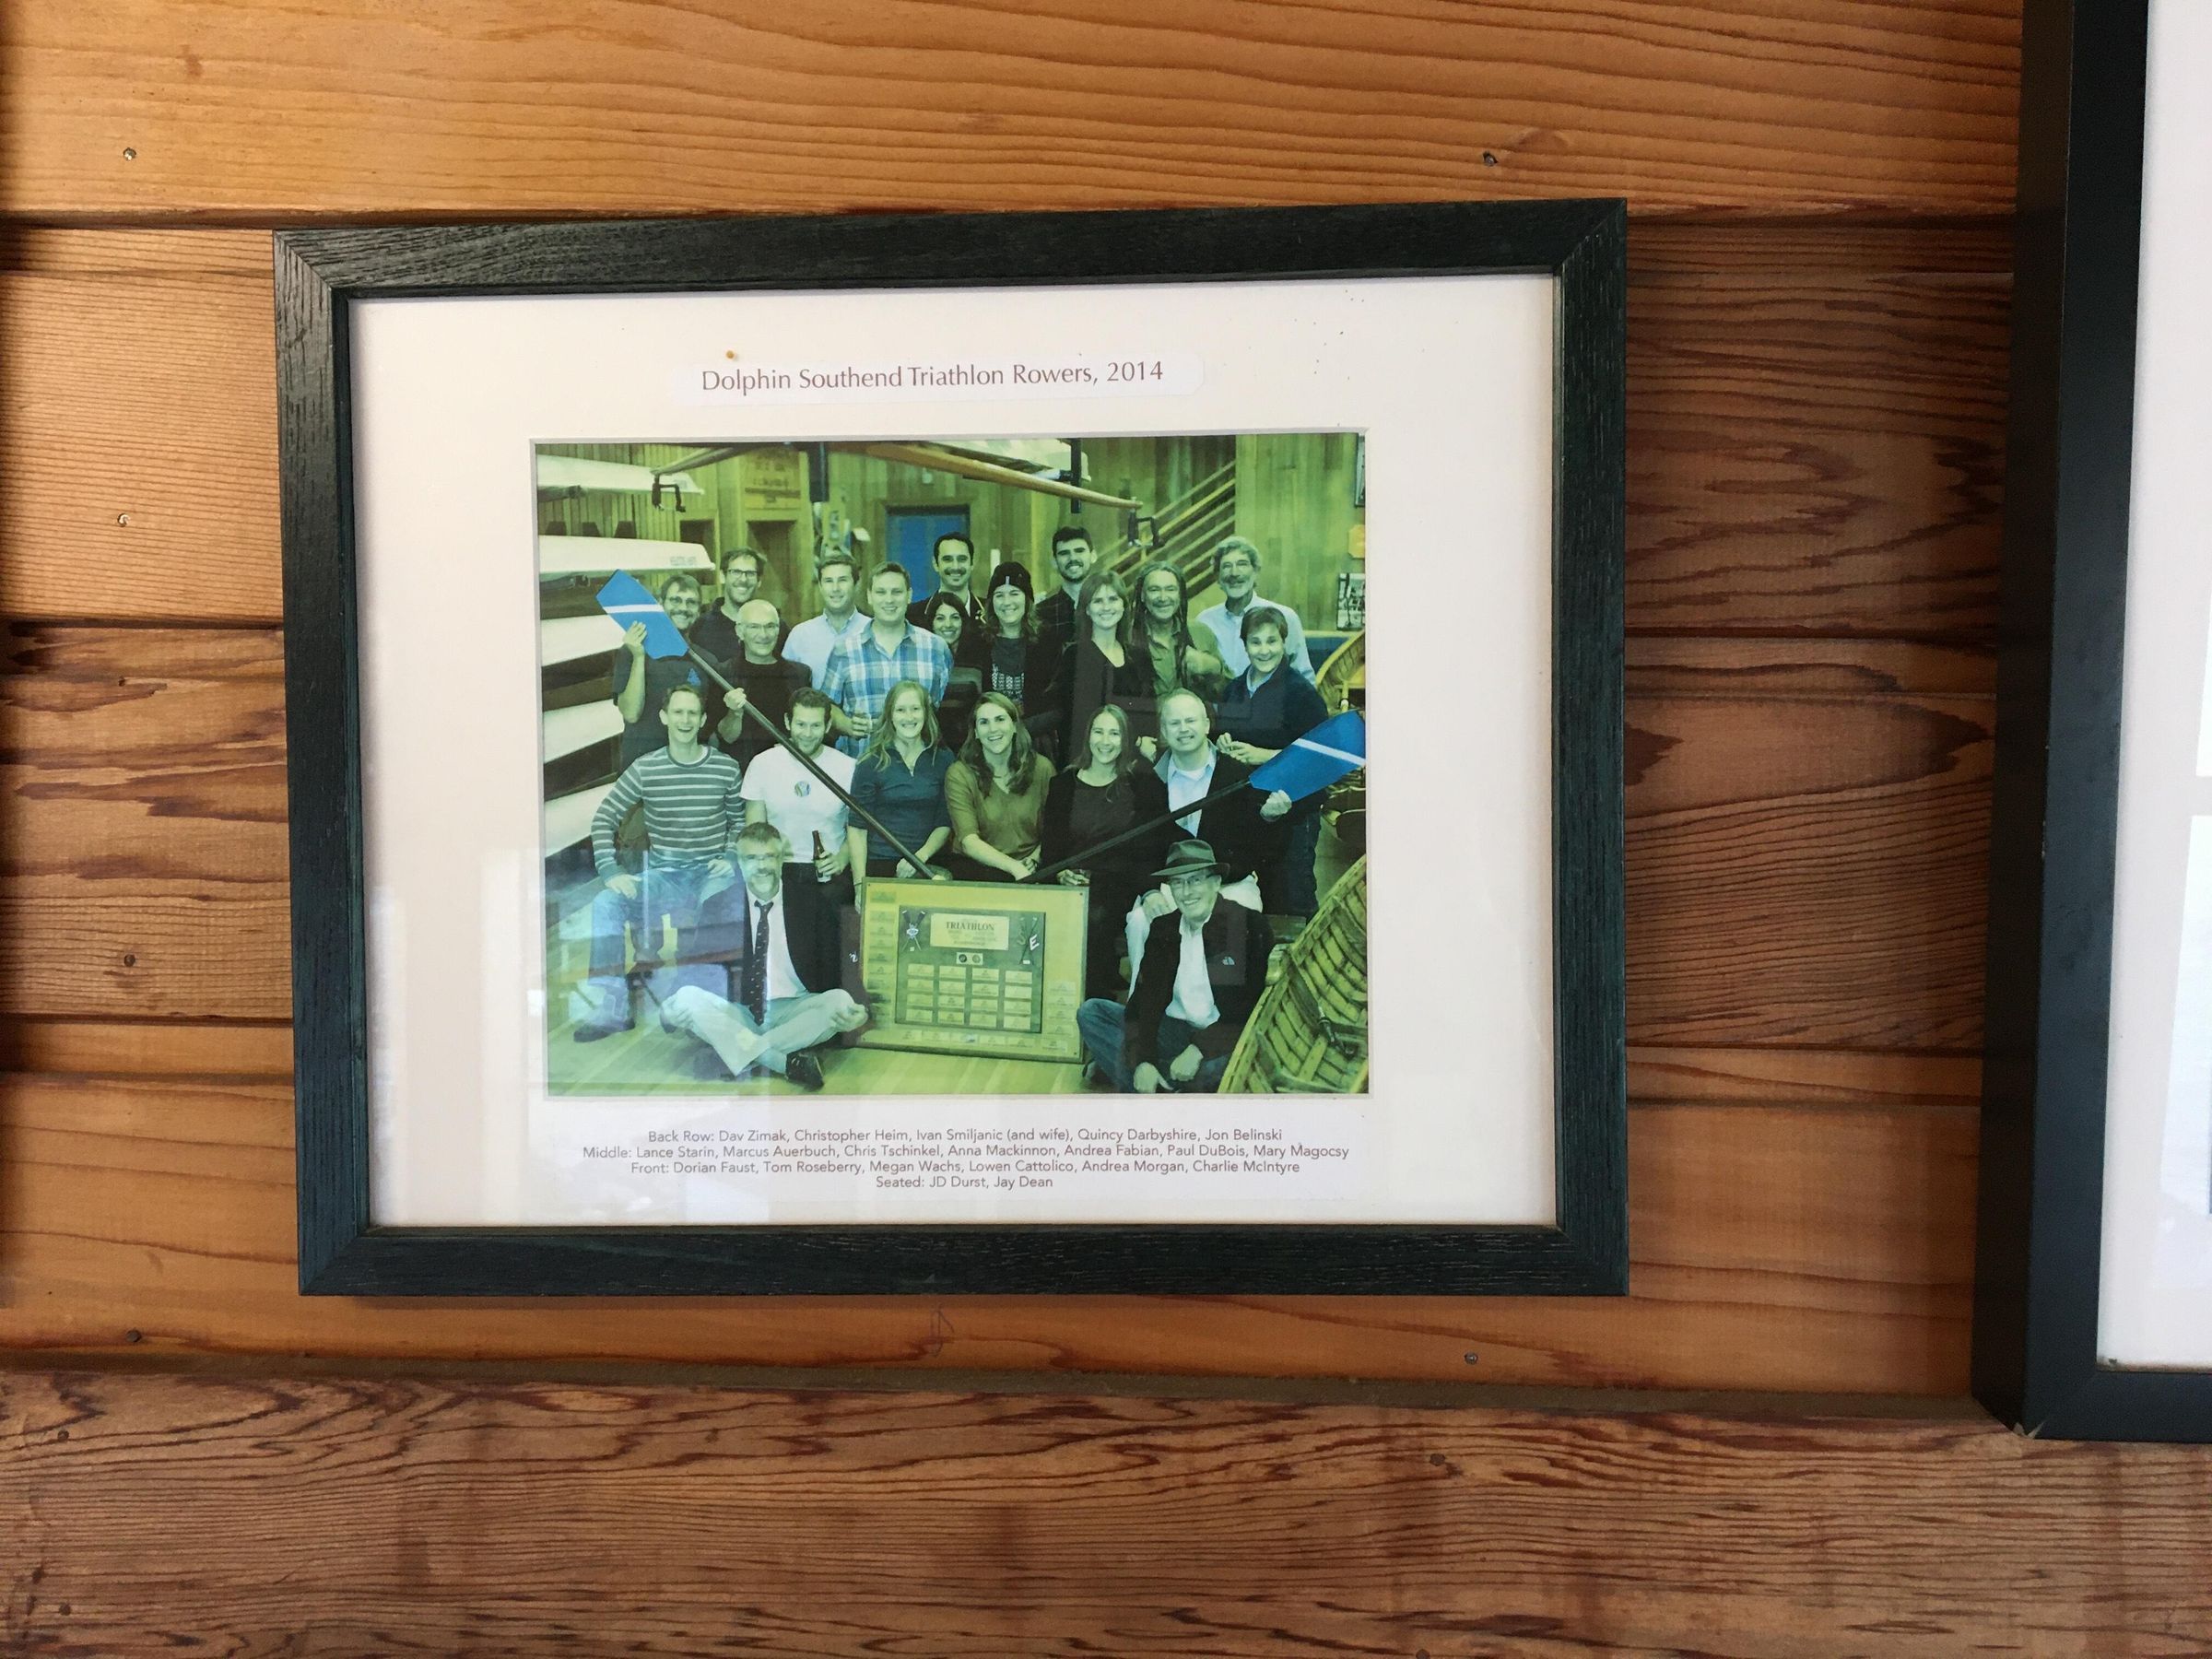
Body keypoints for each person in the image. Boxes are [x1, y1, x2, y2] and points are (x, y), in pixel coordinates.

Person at [576, 683, 747, 1039]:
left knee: (724, 905)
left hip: (710, 874)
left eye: (692, 713)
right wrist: (611, 871)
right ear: (664, 717)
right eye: (678, 712)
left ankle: (692, 1003)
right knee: (606, 903)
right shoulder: (646, 768)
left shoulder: (725, 768)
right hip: (664, 877)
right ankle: (614, 1003)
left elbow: (740, 822)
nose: (685, 720)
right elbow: (603, 818)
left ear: (703, 720)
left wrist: (730, 856)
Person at [660, 822, 870, 1091]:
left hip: (795, 1007)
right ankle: (782, 1062)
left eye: (769, 857)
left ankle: (733, 1055)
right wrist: (668, 1012)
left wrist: (861, 1010)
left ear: (782, 859)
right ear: (739, 862)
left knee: (840, 1002)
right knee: (686, 998)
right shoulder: (719, 906)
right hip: (740, 1011)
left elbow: (842, 963)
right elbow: (695, 968)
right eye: (752, 858)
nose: (762, 866)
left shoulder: (811, 902)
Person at [1077, 838, 1273, 1094]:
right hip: (1174, 1030)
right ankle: (1166, 1083)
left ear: (1216, 883)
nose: (1186, 892)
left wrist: (1199, 1049)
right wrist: (1144, 1060)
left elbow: (1250, 1009)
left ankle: (1145, 1083)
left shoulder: (1245, 924)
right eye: (1178, 883)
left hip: (1222, 1037)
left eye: (1195, 880)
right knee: (1092, 1013)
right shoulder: (1164, 929)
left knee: (1230, 1066)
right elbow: (1143, 1003)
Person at [1041, 702, 1171, 996]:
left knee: (1095, 919)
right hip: (1073, 883)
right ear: (1088, 736)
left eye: (1114, 733)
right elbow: (1052, 849)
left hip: (1120, 882)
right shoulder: (1063, 784)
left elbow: (1151, 849)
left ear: (1125, 740)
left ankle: (1095, 1001)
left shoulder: (1142, 784)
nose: (1105, 741)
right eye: (1098, 732)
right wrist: (1060, 873)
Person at [1213, 606, 1331, 915]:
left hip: (1292, 814)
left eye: (1271, 641)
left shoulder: (1301, 693)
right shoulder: (1233, 690)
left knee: (1290, 898)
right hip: (1248, 813)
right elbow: (1220, 734)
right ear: (1244, 644)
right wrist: (1222, 742)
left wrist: (1265, 755)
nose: (1264, 650)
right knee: (1252, 902)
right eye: (1255, 642)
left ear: (1283, 643)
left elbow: (1323, 757)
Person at [1151, 688, 1290, 888]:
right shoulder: (1149, 779)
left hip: (1229, 885)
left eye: (1190, 721)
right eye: (1174, 723)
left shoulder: (1238, 775)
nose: (1183, 729)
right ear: (1164, 731)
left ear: (1207, 725)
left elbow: (1265, 849)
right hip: (1172, 887)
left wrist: (1269, 818)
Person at [820, 562, 954, 756]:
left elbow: (942, 709)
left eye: (896, 592)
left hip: (921, 765)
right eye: (881, 592)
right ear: (869, 596)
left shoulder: (936, 648)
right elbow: (826, 705)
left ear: (909, 595)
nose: (889, 600)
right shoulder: (844, 650)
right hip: (862, 764)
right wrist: (847, 725)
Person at [740, 688, 857, 908]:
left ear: (828, 726)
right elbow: (754, 831)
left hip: (830, 875)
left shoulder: (848, 767)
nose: (807, 733)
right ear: (787, 722)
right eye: (801, 724)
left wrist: (842, 859)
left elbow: (858, 828)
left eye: (816, 726)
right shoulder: (762, 764)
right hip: (778, 870)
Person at [845, 679, 955, 879]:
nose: (909, 717)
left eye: (915, 709)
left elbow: (945, 822)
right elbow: (857, 829)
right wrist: (860, 885)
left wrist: (919, 857)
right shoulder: (870, 763)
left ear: (926, 713)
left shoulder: (943, 759)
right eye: (901, 710)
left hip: (929, 863)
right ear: (890, 715)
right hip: (880, 864)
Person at [944, 691, 1055, 881]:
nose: (993, 729)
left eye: (1000, 719)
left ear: (1014, 726)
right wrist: (1014, 868)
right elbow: (969, 842)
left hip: (1033, 865)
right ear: (976, 732)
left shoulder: (1042, 768)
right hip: (979, 868)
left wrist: (1035, 858)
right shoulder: (959, 774)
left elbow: (1054, 830)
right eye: (984, 722)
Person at [610, 571, 709, 767]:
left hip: (686, 768)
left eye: (691, 602)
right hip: (641, 766)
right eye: (675, 600)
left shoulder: (705, 661)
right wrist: (639, 657)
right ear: (661, 604)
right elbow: (631, 713)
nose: (683, 608)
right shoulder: (632, 651)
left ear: (699, 611)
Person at [1061, 568, 1155, 753]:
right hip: (1092, 755)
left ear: (1123, 605)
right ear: (1087, 609)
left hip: (1136, 757)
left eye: (1113, 599)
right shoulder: (1075, 655)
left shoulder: (1140, 656)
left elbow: (1149, 712)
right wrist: (1137, 742)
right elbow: (1081, 718)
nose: (1106, 607)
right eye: (1098, 601)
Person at [1196, 535, 1315, 680]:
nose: (1234, 573)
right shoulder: (1204, 622)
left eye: (1242, 564)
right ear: (1218, 577)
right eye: (1226, 566)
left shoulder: (1285, 616)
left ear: (1255, 571)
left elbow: (1304, 676)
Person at [711, 598, 812, 768]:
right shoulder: (722, 674)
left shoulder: (799, 675)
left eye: (770, 626)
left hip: (789, 768)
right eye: (754, 627)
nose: (764, 635)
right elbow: (726, 738)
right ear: (740, 631)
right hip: (742, 771)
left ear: (778, 630)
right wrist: (734, 713)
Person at [980, 560, 1065, 751]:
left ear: (1027, 600)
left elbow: (1057, 706)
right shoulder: (978, 643)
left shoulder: (1048, 643)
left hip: (1036, 745)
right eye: (999, 595)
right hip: (987, 744)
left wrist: (1016, 733)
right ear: (991, 602)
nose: (1007, 602)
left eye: (1014, 593)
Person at [1132, 559, 1228, 715]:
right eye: (1154, 590)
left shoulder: (1200, 633)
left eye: (1170, 589)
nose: (1163, 598)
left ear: (1180, 594)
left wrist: (1211, 666)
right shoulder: (1127, 637)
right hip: (1146, 726)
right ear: (1142, 595)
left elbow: (1228, 694)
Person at [782, 551, 869, 688]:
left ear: (857, 585)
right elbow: (785, 687)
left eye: (842, 580)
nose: (835, 588)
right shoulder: (800, 635)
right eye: (828, 581)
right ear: (820, 587)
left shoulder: (873, 630)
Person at [689, 545, 770, 671]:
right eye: (736, 572)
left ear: (759, 581)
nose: (743, 579)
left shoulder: (774, 627)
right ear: (722, 576)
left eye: (750, 573)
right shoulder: (701, 627)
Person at [1033, 524, 1097, 657]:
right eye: (1064, 553)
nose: (1072, 558)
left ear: (1093, 556)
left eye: (1079, 551)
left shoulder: (1109, 608)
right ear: (1054, 562)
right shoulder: (1040, 613)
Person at [906, 531, 984, 633]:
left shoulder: (992, 613)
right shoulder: (912, 616)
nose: (955, 567)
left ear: (972, 563)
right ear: (935, 564)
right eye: (947, 559)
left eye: (962, 559)